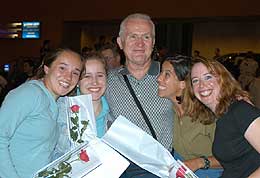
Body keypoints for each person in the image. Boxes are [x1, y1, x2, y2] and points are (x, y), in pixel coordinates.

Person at [105, 13, 173, 178]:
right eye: (133, 36)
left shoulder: (172, 77)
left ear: (153, 42)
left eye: (146, 37)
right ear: (120, 43)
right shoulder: (106, 80)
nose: (140, 44)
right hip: (118, 166)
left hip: (158, 167)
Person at [0, 48, 83, 178]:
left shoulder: (59, 103)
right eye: (62, 68)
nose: (68, 77)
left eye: (75, 73)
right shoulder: (30, 93)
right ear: (47, 68)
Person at [186, 57, 260, 177]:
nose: (201, 85)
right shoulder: (222, 115)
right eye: (195, 80)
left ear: (223, 80)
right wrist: (198, 162)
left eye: (208, 77)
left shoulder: (240, 111)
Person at [157, 55, 222, 178]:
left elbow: (231, 157)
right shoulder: (171, 110)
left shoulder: (207, 116)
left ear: (183, 84)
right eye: (161, 73)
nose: (159, 78)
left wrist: (198, 162)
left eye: (167, 74)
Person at [53, 52, 110, 159]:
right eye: (87, 76)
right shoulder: (61, 109)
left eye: (100, 75)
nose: (94, 82)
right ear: (78, 82)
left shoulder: (114, 111)